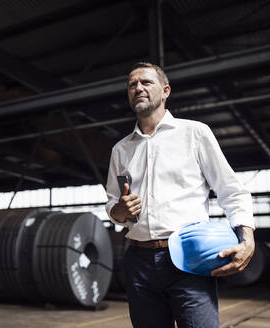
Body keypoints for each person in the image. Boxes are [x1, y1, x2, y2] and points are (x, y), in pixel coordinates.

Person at [105, 62, 255, 328]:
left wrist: (248, 239)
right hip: (138, 261)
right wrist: (120, 210)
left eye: (146, 82)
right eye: (132, 84)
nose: (138, 87)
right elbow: (112, 208)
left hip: (189, 258)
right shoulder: (121, 150)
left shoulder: (194, 133)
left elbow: (231, 191)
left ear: (165, 91)